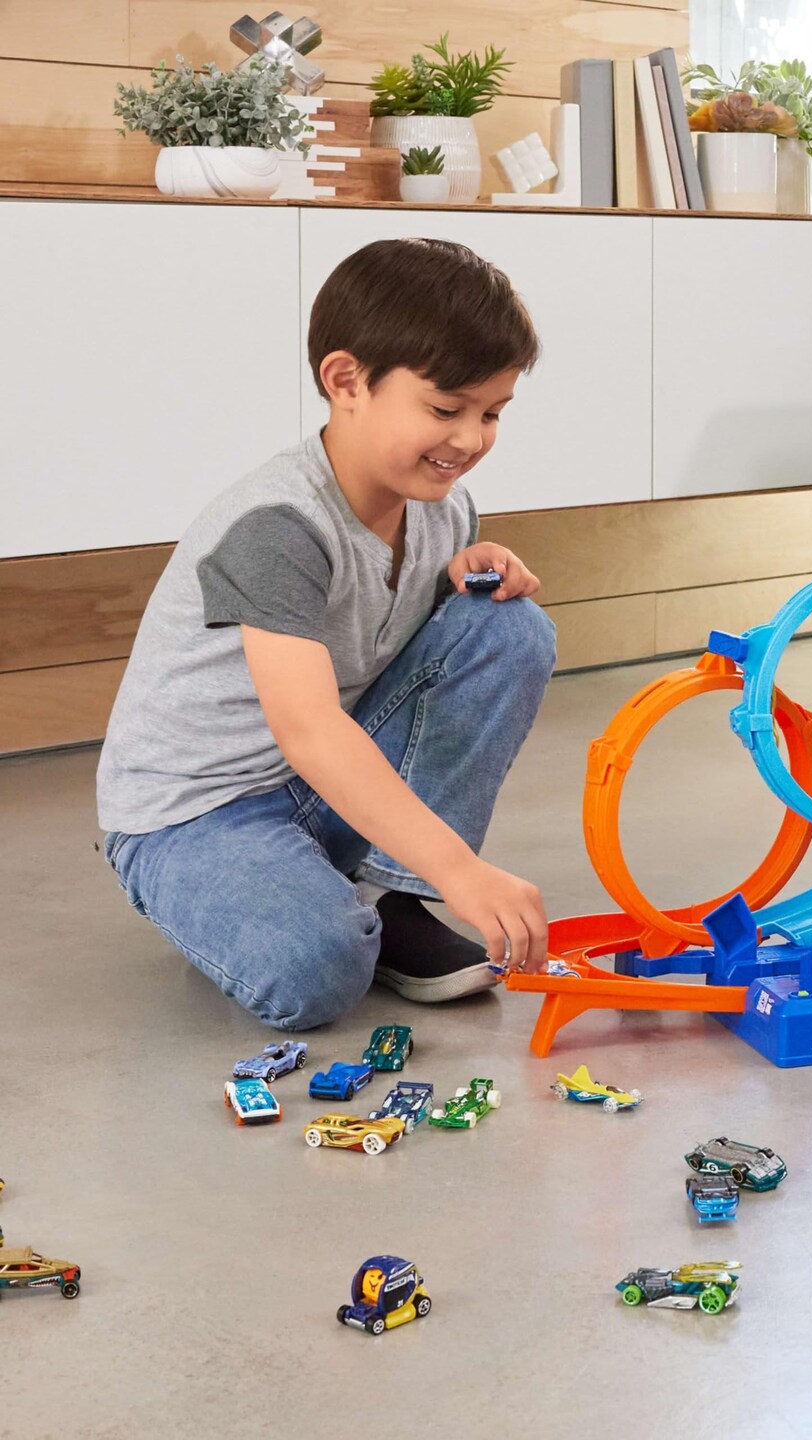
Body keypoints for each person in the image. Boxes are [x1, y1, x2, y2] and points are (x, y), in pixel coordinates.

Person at [96, 237, 556, 1029]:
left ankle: (389, 892)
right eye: (446, 409)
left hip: (313, 786)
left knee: (509, 627)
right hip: (197, 813)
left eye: (492, 414)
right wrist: (459, 870)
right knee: (316, 970)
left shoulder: (443, 510)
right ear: (346, 381)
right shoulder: (277, 527)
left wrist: (463, 575)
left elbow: (396, 649)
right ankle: (257, 897)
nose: (471, 439)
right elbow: (309, 727)